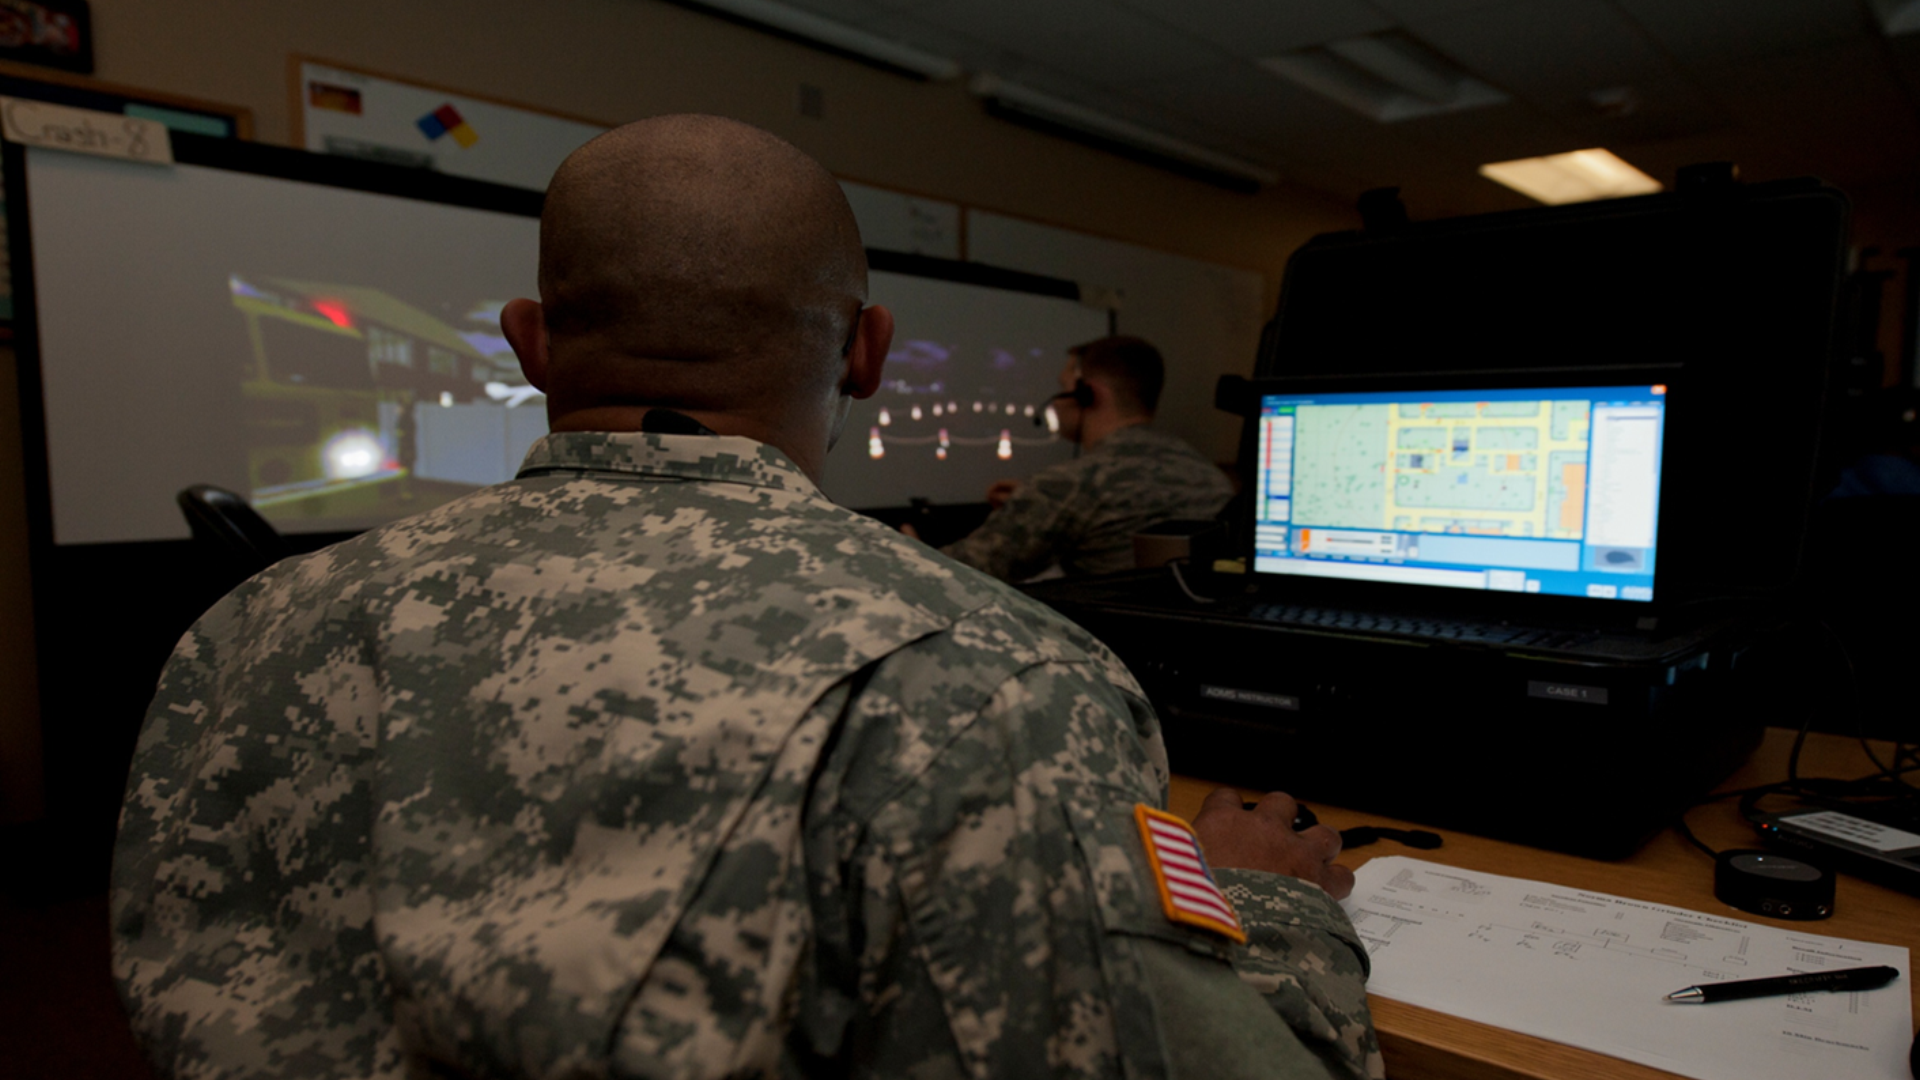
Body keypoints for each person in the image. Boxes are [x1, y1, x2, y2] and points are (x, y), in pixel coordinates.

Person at [112, 115, 1380, 1079]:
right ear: (868, 352)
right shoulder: (998, 683)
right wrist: (1257, 901)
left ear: (530, 342)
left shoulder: (249, 625)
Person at [933, 336, 1235, 581]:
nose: (1056, 402)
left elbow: (957, 573)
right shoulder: (1213, 479)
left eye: (1063, 388)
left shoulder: (1071, 485)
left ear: (1088, 394)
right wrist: (1033, 501)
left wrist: (911, 543)